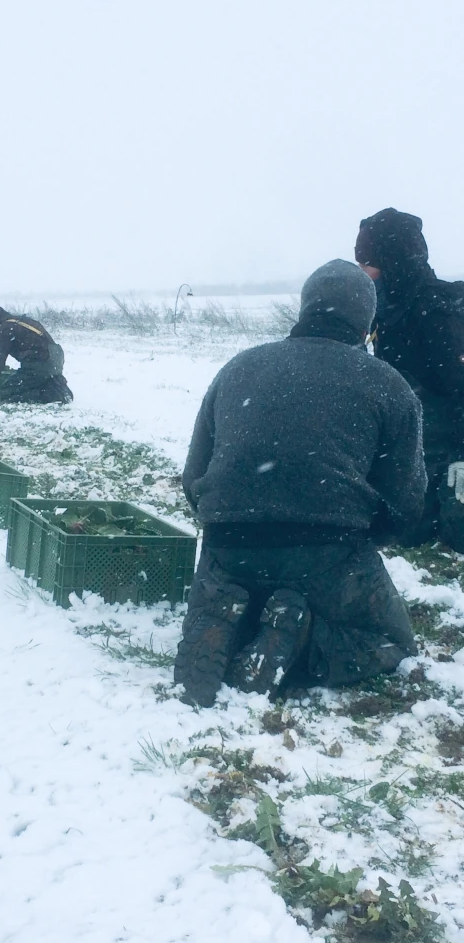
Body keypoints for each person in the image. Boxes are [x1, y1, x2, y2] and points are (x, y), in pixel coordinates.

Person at [174, 260, 426, 708]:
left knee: (247, 589)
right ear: (366, 324)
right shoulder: (389, 384)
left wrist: (234, 525)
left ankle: (228, 618)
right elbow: (407, 502)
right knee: (393, 644)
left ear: (306, 307)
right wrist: (364, 539)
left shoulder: (238, 367)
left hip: (228, 548)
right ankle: (301, 636)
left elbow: (194, 478)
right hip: (327, 555)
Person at [355, 207, 464, 550]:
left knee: (454, 532)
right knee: (407, 532)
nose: (362, 272)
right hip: (407, 433)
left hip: (445, 435)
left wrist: (461, 454)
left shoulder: (438, 311)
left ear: (392, 261)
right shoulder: (385, 306)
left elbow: (460, 385)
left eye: (367, 263)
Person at [0, 306, 73, 404]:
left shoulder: (4, 330)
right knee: (39, 380)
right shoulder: (21, 321)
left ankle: (53, 395)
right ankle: (57, 387)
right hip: (54, 359)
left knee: (4, 394)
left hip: (39, 364)